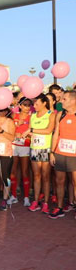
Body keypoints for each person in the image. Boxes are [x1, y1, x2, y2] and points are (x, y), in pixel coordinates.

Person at [22, 94, 55, 214]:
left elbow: (48, 130)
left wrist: (31, 131)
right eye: (33, 103)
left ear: (44, 103)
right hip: (35, 148)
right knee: (36, 176)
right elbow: (30, 130)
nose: (33, 106)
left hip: (45, 148)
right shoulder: (33, 115)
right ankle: (35, 200)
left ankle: (45, 202)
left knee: (46, 177)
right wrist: (27, 134)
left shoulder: (51, 115)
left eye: (36, 104)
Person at [49, 91, 76, 219]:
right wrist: (52, 152)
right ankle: (59, 208)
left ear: (73, 101)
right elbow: (56, 134)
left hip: (74, 155)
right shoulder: (60, 114)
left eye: (64, 99)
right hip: (60, 153)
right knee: (60, 181)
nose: (61, 101)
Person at [8, 97, 32, 207]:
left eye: (29, 105)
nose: (27, 107)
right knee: (13, 171)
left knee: (24, 171)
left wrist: (27, 135)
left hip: (25, 146)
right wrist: (17, 127)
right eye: (25, 105)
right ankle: (14, 196)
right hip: (14, 145)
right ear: (20, 105)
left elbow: (32, 131)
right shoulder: (14, 116)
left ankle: (26, 197)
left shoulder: (31, 117)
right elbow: (10, 129)